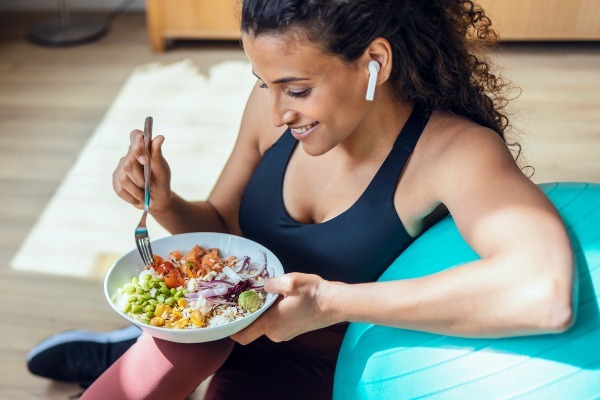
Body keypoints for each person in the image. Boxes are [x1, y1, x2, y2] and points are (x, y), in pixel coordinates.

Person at [27, 0, 576, 398]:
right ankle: (129, 345)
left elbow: (544, 295)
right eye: (263, 83)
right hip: (231, 325)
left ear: (374, 62)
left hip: (339, 369)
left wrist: (329, 304)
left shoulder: (454, 153)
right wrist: (166, 202)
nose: (274, 113)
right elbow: (224, 225)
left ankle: (124, 345)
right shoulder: (275, 111)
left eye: (295, 89)